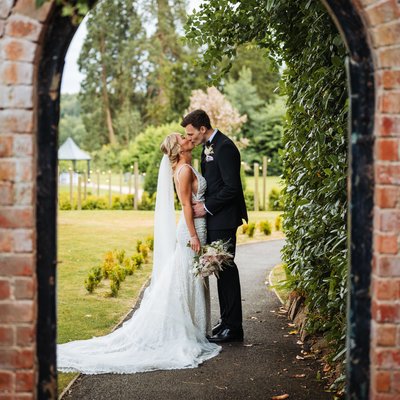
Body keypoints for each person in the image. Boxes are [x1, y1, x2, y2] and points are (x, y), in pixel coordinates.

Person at [57, 133, 221, 374]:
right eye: (183, 139)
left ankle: (197, 329)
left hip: (197, 226)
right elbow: (186, 205)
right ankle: (189, 332)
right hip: (191, 231)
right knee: (189, 279)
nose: (188, 139)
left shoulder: (187, 166)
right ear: (179, 148)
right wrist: (194, 236)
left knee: (191, 278)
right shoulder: (184, 171)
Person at [181, 109, 248, 343]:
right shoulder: (208, 147)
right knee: (220, 270)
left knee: (227, 269)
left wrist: (205, 207)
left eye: (191, 134)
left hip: (224, 218)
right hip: (215, 219)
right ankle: (227, 320)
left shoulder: (225, 147)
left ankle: (234, 327)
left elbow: (232, 188)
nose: (189, 138)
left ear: (202, 128)